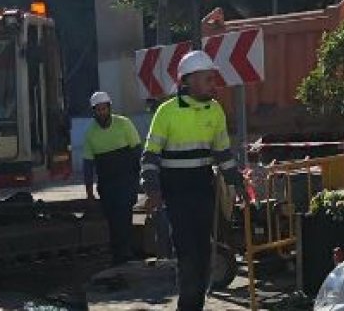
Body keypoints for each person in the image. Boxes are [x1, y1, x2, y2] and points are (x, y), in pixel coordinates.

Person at [140, 51, 245, 311]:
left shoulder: (216, 110)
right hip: (176, 192)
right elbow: (150, 155)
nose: (213, 84)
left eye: (213, 78)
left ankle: (195, 305)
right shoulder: (166, 112)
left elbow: (223, 154)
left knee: (203, 253)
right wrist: (152, 189)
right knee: (187, 255)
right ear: (188, 81)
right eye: (207, 79)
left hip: (202, 189)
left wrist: (237, 182)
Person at [83, 91, 142, 265]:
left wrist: (141, 178)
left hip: (126, 179)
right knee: (112, 218)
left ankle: (126, 254)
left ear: (109, 108)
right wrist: (89, 192)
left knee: (124, 215)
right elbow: (88, 164)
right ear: (94, 111)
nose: (102, 113)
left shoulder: (124, 124)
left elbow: (137, 151)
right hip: (107, 183)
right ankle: (118, 254)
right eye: (98, 110)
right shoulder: (90, 133)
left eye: (104, 109)